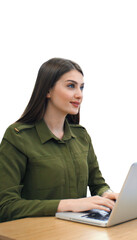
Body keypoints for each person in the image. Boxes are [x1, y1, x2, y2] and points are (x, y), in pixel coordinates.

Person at [0, 58, 118, 222]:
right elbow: (5, 206)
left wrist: (107, 194)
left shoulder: (81, 136)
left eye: (81, 87)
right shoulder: (18, 136)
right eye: (71, 86)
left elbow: (97, 183)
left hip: (75, 231)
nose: (79, 94)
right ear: (48, 90)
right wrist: (67, 205)